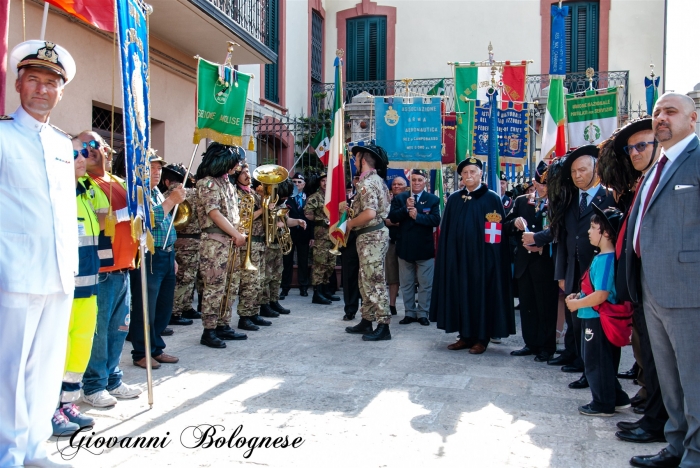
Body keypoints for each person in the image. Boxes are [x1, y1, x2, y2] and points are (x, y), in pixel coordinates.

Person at [0, 40, 78, 467]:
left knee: (46, 370)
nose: (42, 89)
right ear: (18, 84)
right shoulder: (1, 136)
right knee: (8, 372)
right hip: (13, 273)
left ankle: (34, 449)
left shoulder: (63, 144)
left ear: (60, 92)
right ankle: (7, 454)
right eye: (34, 79)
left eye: (51, 83)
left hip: (58, 273)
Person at [627, 93, 700, 468]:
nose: (661, 118)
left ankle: (696, 455)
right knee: (669, 381)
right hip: (651, 287)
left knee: (694, 381)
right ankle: (675, 447)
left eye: (670, 111)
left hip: (688, 290)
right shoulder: (660, 164)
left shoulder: (697, 159)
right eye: (656, 112)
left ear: (693, 118)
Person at [597, 117, 668, 444]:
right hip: (641, 284)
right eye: (630, 148)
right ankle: (655, 416)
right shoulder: (645, 181)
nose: (635, 152)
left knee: (661, 361)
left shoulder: (666, 176)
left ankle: (658, 421)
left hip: (663, 285)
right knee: (651, 359)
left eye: (643, 145)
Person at [547, 145, 617, 391]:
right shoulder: (569, 200)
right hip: (573, 271)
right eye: (574, 171)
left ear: (596, 169)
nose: (577, 175)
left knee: (596, 325)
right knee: (577, 321)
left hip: (598, 272)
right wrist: (561, 274)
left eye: (583, 170)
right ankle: (582, 363)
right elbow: (564, 239)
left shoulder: (610, 197)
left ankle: (599, 374)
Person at [81, 130, 142, 407]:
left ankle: (113, 379)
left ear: (106, 150)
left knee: (119, 328)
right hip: (101, 270)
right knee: (100, 330)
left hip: (124, 267)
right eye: (82, 146)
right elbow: (96, 216)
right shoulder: (83, 183)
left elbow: (136, 215)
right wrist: (124, 213)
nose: (88, 149)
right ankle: (93, 385)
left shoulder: (118, 181)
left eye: (93, 144)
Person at [429, 157, 515, 354]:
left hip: (482, 261)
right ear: (461, 176)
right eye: (465, 173)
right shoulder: (454, 199)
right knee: (461, 294)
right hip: (459, 260)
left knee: (481, 296)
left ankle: (481, 338)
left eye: (473, 172)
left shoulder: (491, 198)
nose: (469, 176)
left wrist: (490, 259)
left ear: (480, 175)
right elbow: (447, 231)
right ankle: (465, 336)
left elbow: (496, 232)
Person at [50, 140, 104, 437]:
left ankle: (69, 401)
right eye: (74, 153)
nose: (82, 158)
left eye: (85, 152)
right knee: (58, 348)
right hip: (64, 286)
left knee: (80, 346)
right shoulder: (56, 192)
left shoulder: (86, 190)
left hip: (89, 285)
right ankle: (49, 408)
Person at [565, 206, 631, 417]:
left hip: (596, 318)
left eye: (594, 228)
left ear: (607, 233)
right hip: (593, 315)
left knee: (595, 361)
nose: (589, 232)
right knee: (601, 360)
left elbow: (601, 295)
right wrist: (579, 296)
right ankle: (616, 397)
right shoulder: (602, 256)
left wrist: (577, 305)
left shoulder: (606, 259)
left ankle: (603, 404)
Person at [128, 152, 185, 369]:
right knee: (146, 307)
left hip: (165, 254)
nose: (157, 171)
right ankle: (141, 352)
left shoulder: (156, 192)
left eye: (159, 168)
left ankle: (155, 348)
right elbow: (148, 222)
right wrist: (171, 200)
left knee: (163, 307)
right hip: (148, 255)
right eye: (151, 167)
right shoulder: (137, 192)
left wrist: (172, 255)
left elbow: (167, 225)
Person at [504, 161, 559, 362]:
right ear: (534, 183)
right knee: (527, 305)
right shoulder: (521, 201)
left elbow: (560, 230)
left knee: (545, 307)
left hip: (546, 263)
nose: (543, 188)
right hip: (524, 262)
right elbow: (505, 226)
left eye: (547, 184)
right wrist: (515, 223)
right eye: (540, 183)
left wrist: (542, 242)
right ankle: (530, 343)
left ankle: (547, 347)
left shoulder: (558, 201)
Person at [195, 143, 248, 348]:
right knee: (214, 287)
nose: (237, 167)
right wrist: (236, 234)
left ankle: (223, 324)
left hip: (231, 242)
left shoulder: (227, 183)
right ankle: (209, 330)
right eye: (235, 162)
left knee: (230, 286)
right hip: (215, 243)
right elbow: (214, 213)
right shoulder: (207, 183)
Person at [344, 144, 393, 340]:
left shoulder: (367, 183)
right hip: (370, 236)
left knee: (373, 281)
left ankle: (383, 324)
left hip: (371, 236)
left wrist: (349, 224)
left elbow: (370, 213)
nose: (354, 161)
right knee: (365, 280)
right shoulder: (376, 181)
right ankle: (367, 320)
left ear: (363, 161)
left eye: (356, 158)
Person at [389, 169, 441, 326]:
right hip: (404, 248)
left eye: (420, 180)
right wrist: (405, 209)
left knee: (426, 283)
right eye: (414, 180)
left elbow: (435, 220)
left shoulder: (432, 199)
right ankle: (409, 312)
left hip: (424, 249)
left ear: (425, 182)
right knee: (406, 283)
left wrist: (418, 216)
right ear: (410, 182)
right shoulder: (401, 198)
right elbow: (392, 217)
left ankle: (423, 313)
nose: (417, 183)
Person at [234, 164, 275, 330]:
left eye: (248, 172)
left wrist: (267, 200)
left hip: (260, 243)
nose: (248, 175)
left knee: (259, 282)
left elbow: (268, 213)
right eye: (243, 172)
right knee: (249, 283)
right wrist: (263, 209)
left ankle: (254, 313)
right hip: (248, 244)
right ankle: (244, 317)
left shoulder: (253, 194)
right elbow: (243, 218)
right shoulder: (236, 193)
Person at [162, 163, 202, 325]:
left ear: (166, 181)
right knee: (187, 278)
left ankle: (183, 307)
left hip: (174, 240)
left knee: (182, 277)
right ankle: (176, 311)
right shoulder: (193, 193)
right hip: (193, 240)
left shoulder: (164, 195)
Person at [259, 178, 306, 316]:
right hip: (266, 244)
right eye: (283, 196)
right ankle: (264, 303)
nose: (285, 199)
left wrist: (297, 221)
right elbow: (260, 224)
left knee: (276, 275)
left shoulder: (282, 205)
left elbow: (286, 221)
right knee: (266, 276)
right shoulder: (266, 203)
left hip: (278, 244)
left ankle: (274, 300)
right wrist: (274, 224)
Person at [304, 172, 340, 304]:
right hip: (321, 235)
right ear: (319, 182)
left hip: (333, 235)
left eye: (328, 181)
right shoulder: (315, 197)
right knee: (320, 264)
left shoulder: (334, 197)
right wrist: (321, 220)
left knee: (330, 264)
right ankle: (317, 293)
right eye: (323, 180)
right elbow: (307, 214)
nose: (325, 183)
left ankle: (326, 291)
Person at [281, 173, 312, 298]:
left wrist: (312, 236)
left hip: (304, 234)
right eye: (294, 181)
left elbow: (311, 220)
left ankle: (303, 286)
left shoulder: (308, 198)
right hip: (289, 233)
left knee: (303, 260)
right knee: (287, 261)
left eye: (299, 182)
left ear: (304, 184)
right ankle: (285, 287)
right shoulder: (286, 198)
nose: (296, 184)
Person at [384, 176, 407, 316]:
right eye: (394, 184)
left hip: (407, 242)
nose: (396, 186)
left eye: (400, 184)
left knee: (409, 277)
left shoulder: (410, 200)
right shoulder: (388, 201)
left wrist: (393, 221)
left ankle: (411, 309)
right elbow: (385, 220)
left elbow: (410, 220)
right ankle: (392, 305)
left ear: (406, 186)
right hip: (392, 241)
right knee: (392, 276)